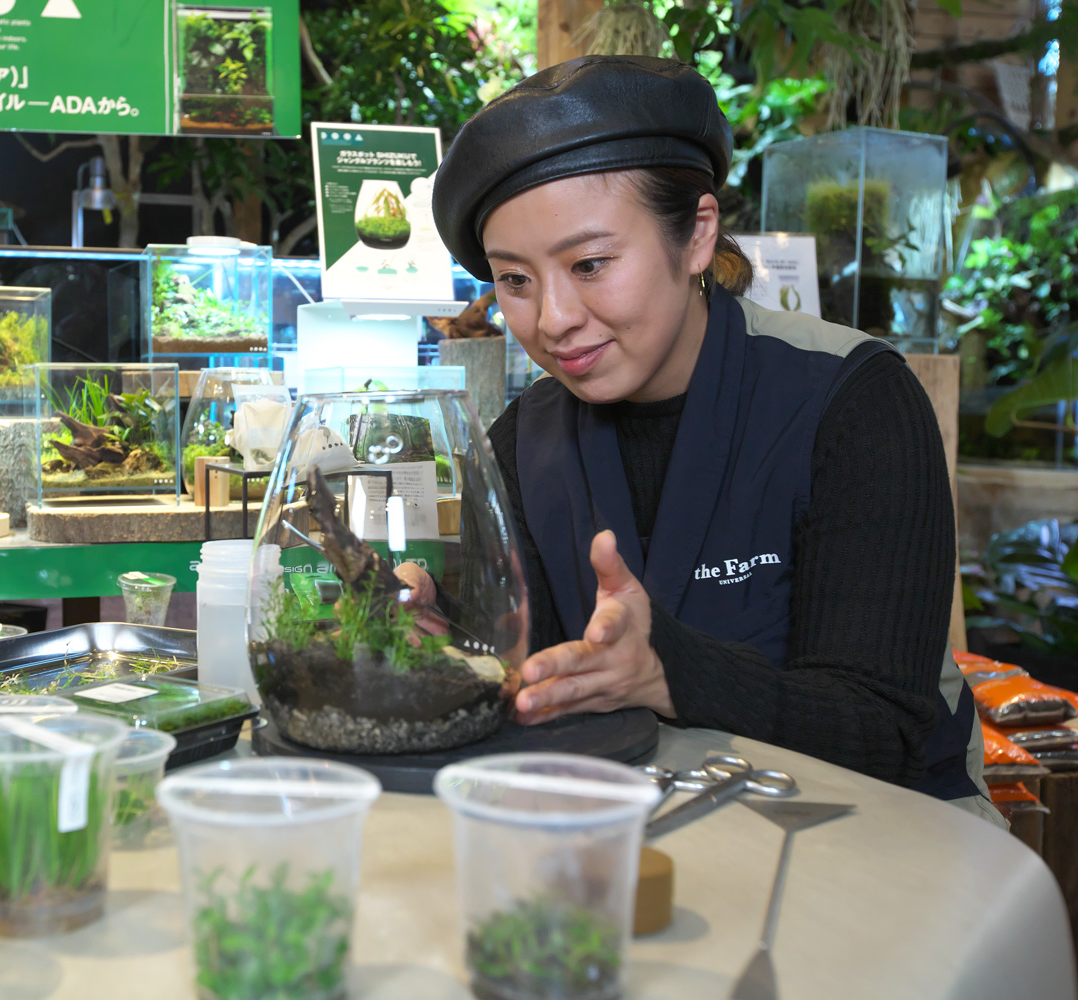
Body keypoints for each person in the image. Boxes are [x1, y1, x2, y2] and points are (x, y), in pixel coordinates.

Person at [421, 55, 997, 822]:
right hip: (646, 838)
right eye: (515, 281)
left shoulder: (852, 402)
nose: (552, 318)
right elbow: (534, 697)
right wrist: (454, 653)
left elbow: (883, 731)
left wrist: (667, 669)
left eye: (590, 263)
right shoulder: (522, 445)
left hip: (886, 849)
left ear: (696, 235)